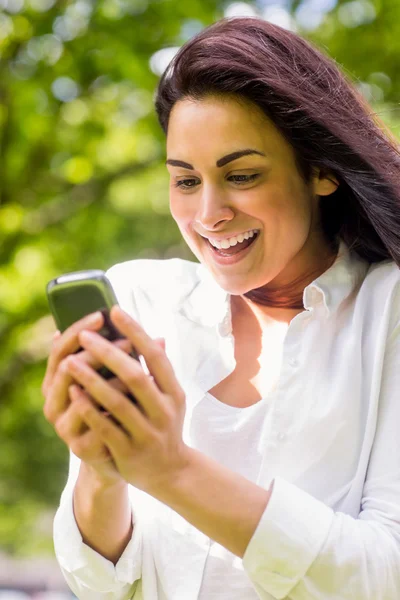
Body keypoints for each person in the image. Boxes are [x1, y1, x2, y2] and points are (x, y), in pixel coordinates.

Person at [42, 16, 400, 600]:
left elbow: (385, 574)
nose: (209, 214)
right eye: (185, 181)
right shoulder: (141, 301)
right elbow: (99, 581)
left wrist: (170, 469)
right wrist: (102, 471)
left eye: (242, 175)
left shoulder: (388, 313)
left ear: (321, 170)